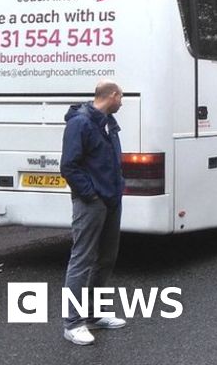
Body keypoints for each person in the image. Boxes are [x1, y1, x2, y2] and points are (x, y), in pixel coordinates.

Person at [60, 80, 127, 346]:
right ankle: (73, 323)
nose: (122, 102)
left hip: (111, 199)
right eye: (121, 97)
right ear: (112, 95)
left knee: (106, 258)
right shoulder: (80, 123)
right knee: (82, 259)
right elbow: (69, 166)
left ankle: (94, 314)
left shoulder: (107, 121)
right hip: (92, 202)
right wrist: (91, 194)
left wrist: (116, 187)